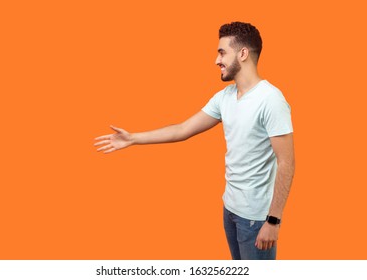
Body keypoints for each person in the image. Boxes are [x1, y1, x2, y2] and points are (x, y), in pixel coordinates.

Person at [94, 21, 295, 260]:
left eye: (222, 52)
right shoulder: (225, 97)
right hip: (230, 209)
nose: (216, 60)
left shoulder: (270, 99)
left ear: (243, 54)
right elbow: (183, 128)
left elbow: (286, 163)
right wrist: (133, 138)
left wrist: (273, 220)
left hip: (256, 217)